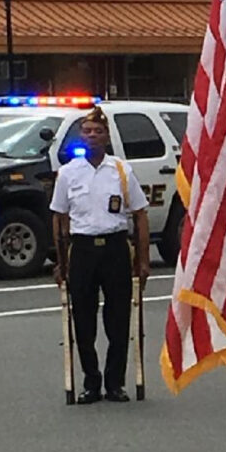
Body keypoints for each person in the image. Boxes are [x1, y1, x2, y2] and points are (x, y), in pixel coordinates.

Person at [51, 104, 151, 403]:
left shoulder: (121, 170)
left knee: (118, 319)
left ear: (107, 137)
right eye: (87, 131)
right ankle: (91, 382)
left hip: (115, 247)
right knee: (83, 319)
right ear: (81, 136)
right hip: (82, 249)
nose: (92, 136)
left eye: (98, 131)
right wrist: (60, 261)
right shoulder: (68, 174)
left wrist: (143, 260)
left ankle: (115, 383)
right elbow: (58, 217)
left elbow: (140, 214)